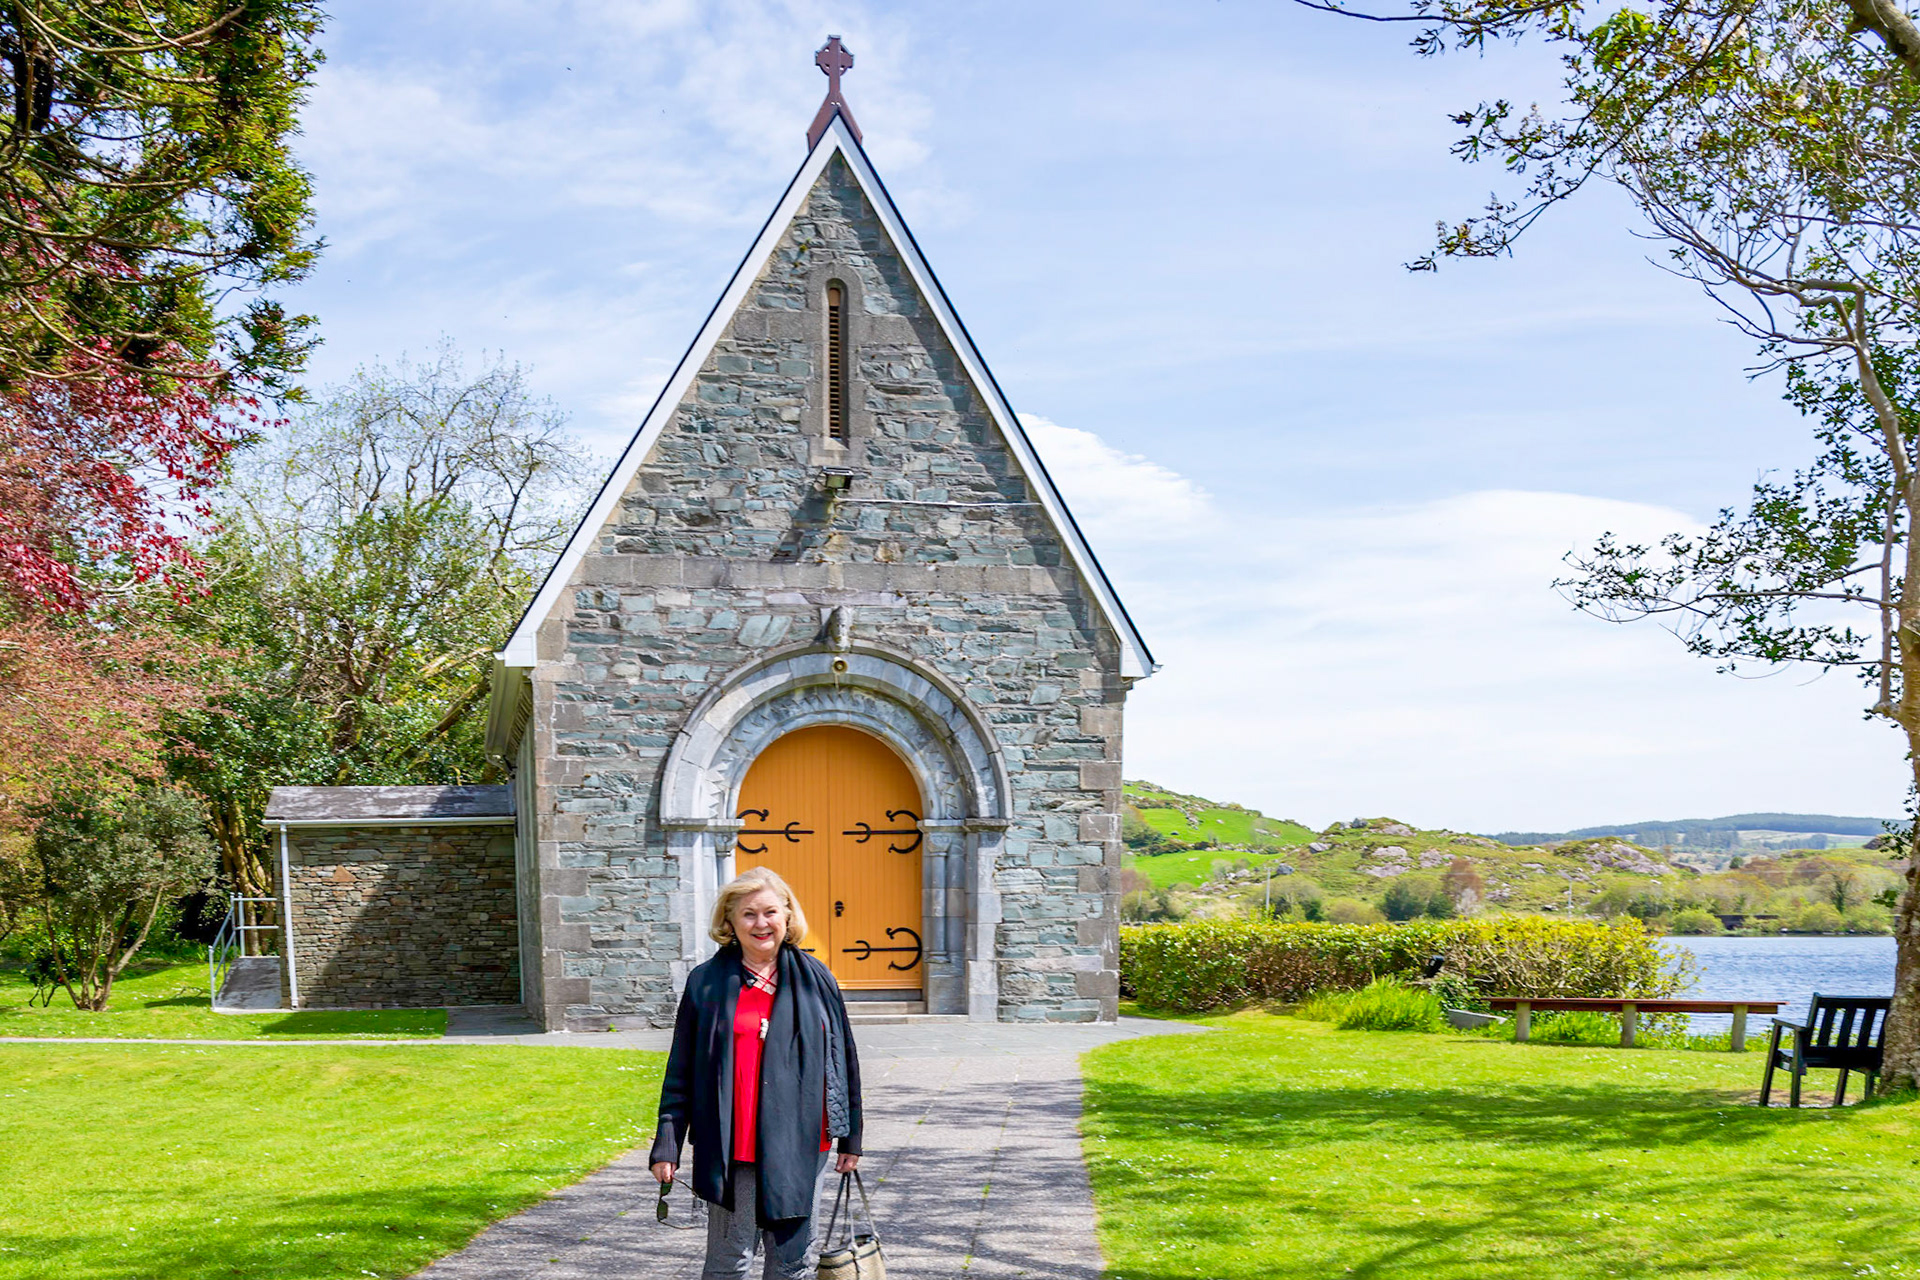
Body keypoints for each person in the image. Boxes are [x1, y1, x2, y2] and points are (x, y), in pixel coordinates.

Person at [650, 866, 863, 1279]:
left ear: (787, 916)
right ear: (729, 921)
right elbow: (681, 1068)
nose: (761, 923)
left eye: (770, 912)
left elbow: (844, 1058)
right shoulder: (706, 983)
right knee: (731, 1260)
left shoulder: (817, 979)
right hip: (735, 1145)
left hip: (802, 1144)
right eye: (748, 914)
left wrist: (851, 1135)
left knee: (793, 1261)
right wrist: (667, 1142)